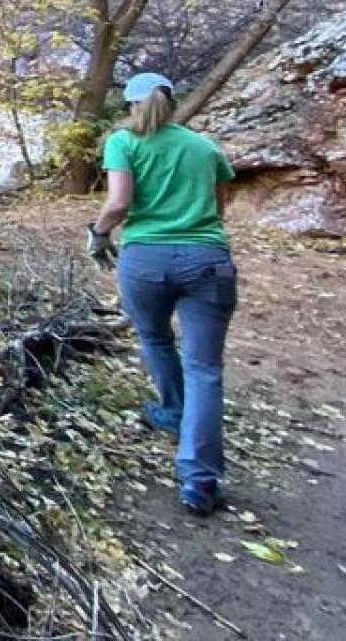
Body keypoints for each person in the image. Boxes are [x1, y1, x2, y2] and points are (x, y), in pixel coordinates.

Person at [90, 71, 238, 517]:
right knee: (205, 368)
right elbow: (220, 205)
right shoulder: (204, 147)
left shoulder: (123, 142)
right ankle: (199, 480)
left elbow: (118, 203)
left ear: (132, 104)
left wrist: (98, 235)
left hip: (146, 260)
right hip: (207, 260)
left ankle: (173, 410)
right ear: (171, 102)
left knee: (154, 338)